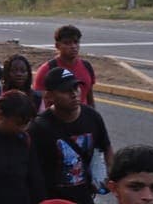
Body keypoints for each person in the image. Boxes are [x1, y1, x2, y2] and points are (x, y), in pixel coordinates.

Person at [28, 67, 113, 204]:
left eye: (76, 87)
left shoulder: (92, 117)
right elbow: (33, 171)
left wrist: (110, 174)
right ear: (49, 96)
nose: (74, 94)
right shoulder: (39, 128)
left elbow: (106, 147)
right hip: (54, 200)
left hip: (85, 197)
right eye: (66, 90)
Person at [33, 25, 96, 108]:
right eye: (67, 43)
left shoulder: (87, 66)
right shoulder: (47, 70)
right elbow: (39, 103)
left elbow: (89, 98)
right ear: (57, 46)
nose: (73, 46)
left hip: (82, 118)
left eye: (76, 42)